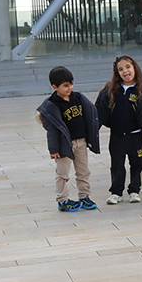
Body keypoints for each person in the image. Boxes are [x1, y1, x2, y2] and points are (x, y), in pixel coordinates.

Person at [96, 55, 142, 205]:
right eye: (121, 69)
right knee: (117, 165)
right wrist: (90, 135)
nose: (125, 71)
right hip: (117, 137)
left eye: (128, 67)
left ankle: (133, 190)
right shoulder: (110, 91)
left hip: (135, 136)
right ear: (117, 72)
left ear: (134, 68)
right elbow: (98, 114)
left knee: (137, 164)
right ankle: (116, 192)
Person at [37, 66, 100, 212]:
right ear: (55, 87)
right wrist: (54, 149)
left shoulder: (78, 97)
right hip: (64, 145)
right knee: (62, 174)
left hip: (81, 142)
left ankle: (84, 196)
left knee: (83, 172)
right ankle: (62, 200)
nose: (70, 87)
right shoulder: (52, 105)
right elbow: (52, 131)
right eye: (65, 85)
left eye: (71, 84)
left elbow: (91, 115)